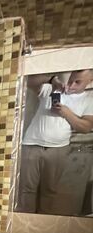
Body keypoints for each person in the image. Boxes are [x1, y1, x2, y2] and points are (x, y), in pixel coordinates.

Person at [18, 69, 93, 214]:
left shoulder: (89, 100)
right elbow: (27, 80)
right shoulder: (52, 88)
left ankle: (41, 223)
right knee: (26, 190)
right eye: (71, 80)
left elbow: (86, 127)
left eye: (78, 82)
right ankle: (25, 222)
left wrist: (66, 113)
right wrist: (52, 80)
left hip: (58, 150)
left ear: (89, 82)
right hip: (31, 144)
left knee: (49, 191)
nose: (71, 85)